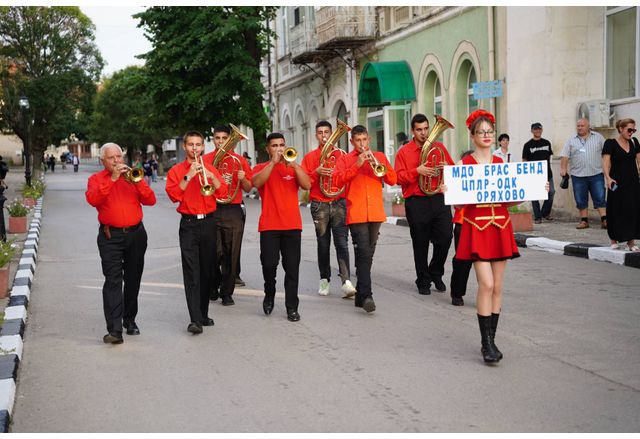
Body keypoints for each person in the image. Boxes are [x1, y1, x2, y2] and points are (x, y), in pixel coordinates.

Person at [452, 110, 522, 363]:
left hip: (500, 227)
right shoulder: (463, 166)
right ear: (472, 136)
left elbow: (510, 199)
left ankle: (492, 340)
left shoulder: (502, 164)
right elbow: (459, 205)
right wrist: (449, 192)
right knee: (487, 284)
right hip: (476, 229)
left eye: (490, 132)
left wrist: (533, 190)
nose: (486, 136)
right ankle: (485, 343)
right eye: (481, 132)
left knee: (499, 286)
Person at [85, 143, 156, 344]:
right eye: (112, 158)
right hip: (110, 236)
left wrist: (138, 182)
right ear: (103, 161)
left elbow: (150, 200)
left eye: (119, 157)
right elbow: (93, 199)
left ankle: (129, 319)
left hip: (136, 234)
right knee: (113, 281)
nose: (117, 161)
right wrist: (114, 179)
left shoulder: (133, 176)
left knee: (133, 279)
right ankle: (114, 330)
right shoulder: (96, 179)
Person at [166, 131, 228, 334]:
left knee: (207, 271)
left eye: (198, 144)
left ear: (203, 147)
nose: (195, 148)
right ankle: (195, 319)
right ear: (184, 147)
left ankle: (203, 313)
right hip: (189, 225)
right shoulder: (176, 170)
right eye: (191, 144)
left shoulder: (210, 168)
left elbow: (224, 193)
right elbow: (174, 195)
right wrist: (189, 175)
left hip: (209, 223)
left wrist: (211, 177)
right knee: (192, 272)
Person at [334, 125, 397, 313]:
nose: (362, 144)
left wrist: (379, 164)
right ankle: (368, 295)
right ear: (352, 142)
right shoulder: (346, 159)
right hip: (357, 212)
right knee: (363, 251)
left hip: (375, 211)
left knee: (368, 254)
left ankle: (360, 293)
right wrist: (357, 165)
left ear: (369, 139)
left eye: (364, 140)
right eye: (358, 140)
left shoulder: (379, 157)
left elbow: (393, 180)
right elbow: (337, 181)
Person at [252, 132, 311, 322]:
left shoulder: (292, 167)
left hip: (292, 225)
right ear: (268, 149)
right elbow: (256, 183)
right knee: (269, 266)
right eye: (275, 146)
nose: (279, 149)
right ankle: (269, 293)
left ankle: (292, 307)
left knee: (292, 268)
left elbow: (307, 185)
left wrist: (294, 165)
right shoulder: (262, 167)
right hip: (269, 225)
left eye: (282, 145)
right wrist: (273, 163)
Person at [394, 113, 454, 296]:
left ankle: (435, 272)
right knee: (420, 244)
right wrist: (417, 171)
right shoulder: (403, 152)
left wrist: (447, 169)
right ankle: (423, 280)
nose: (424, 133)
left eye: (426, 128)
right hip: (416, 201)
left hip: (438, 198)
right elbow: (397, 177)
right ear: (413, 131)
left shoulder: (439, 147)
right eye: (419, 129)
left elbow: (453, 171)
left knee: (445, 238)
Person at [301, 120, 356, 298]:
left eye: (327, 132)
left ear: (332, 134)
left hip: (339, 202)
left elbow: (348, 178)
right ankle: (324, 279)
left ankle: (346, 281)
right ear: (316, 135)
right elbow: (305, 184)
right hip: (320, 204)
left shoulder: (342, 155)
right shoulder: (310, 158)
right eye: (320, 132)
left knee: (342, 243)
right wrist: (317, 172)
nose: (324, 136)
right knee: (323, 244)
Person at [204, 125, 253, 306]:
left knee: (231, 253)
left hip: (233, 208)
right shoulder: (206, 160)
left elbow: (249, 188)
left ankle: (227, 292)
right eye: (218, 138)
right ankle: (213, 284)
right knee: (213, 253)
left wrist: (242, 178)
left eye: (225, 138)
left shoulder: (240, 160)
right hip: (213, 207)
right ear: (213, 139)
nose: (221, 142)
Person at [560, 118, 607, 229]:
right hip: (578, 175)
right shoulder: (571, 140)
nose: (580, 128)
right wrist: (563, 169)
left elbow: (606, 154)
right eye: (578, 126)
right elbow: (565, 156)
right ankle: (584, 221)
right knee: (580, 199)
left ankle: (605, 220)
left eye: (582, 126)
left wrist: (608, 168)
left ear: (588, 126)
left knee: (600, 197)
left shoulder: (598, 137)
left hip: (596, 173)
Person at [602, 118, 640, 251]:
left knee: (632, 210)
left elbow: (639, 162)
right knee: (615, 209)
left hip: (633, 182)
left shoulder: (634, 143)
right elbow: (605, 163)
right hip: (616, 182)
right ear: (621, 129)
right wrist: (608, 178)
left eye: (633, 130)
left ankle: (631, 242)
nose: (631, 132)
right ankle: (613, 239)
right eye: (629, 130)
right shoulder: (610, 143)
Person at [449, 151, 474, 307]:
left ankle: (488, 293)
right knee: (462, 260)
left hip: (485, 222)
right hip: (463, 222)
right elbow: (456, 203)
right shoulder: (460, 171)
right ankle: (457, 292)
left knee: (487, 261)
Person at [523, 122, 555, 224]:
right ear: (532, 131)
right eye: (535, 129)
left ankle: (545, 213)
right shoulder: (528, 145)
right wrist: (527, 172)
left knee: (551, 192)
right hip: (534, 174)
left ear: (542, 130)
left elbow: (549, 156)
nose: (538, 131)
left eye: (539, 129)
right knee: (534, 195)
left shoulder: (547, 143)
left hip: (547, 173)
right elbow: (525, 160)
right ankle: (537, 217)